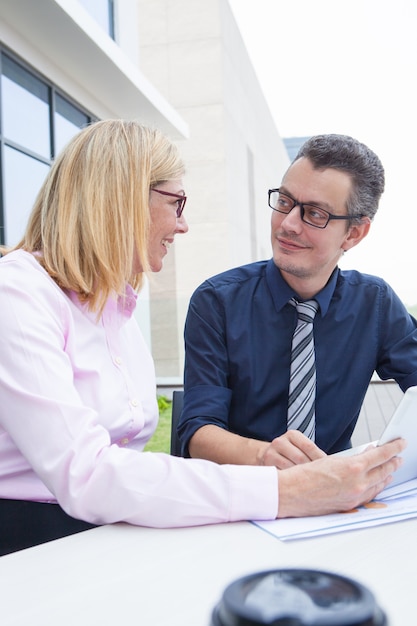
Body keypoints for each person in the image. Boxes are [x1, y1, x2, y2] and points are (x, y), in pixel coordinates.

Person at [0, 122, 405, 556]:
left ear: (354, 233)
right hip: (32, 545)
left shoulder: (115, 310)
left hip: (113, 532)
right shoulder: (17, 295)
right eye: (176, 203)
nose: (184, 224)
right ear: (122, 200)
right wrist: (285, 488)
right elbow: (88, 473)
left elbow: (125, 467)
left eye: (315, 213)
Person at [179, 133, 417, 469]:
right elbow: (197, 433)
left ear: (353, 234)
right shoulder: (216, 301)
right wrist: (264, 457)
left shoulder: (375, 304)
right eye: (285, 202)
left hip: (337, 501)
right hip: (244, 493)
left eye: (315, 214)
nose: (287, 224)